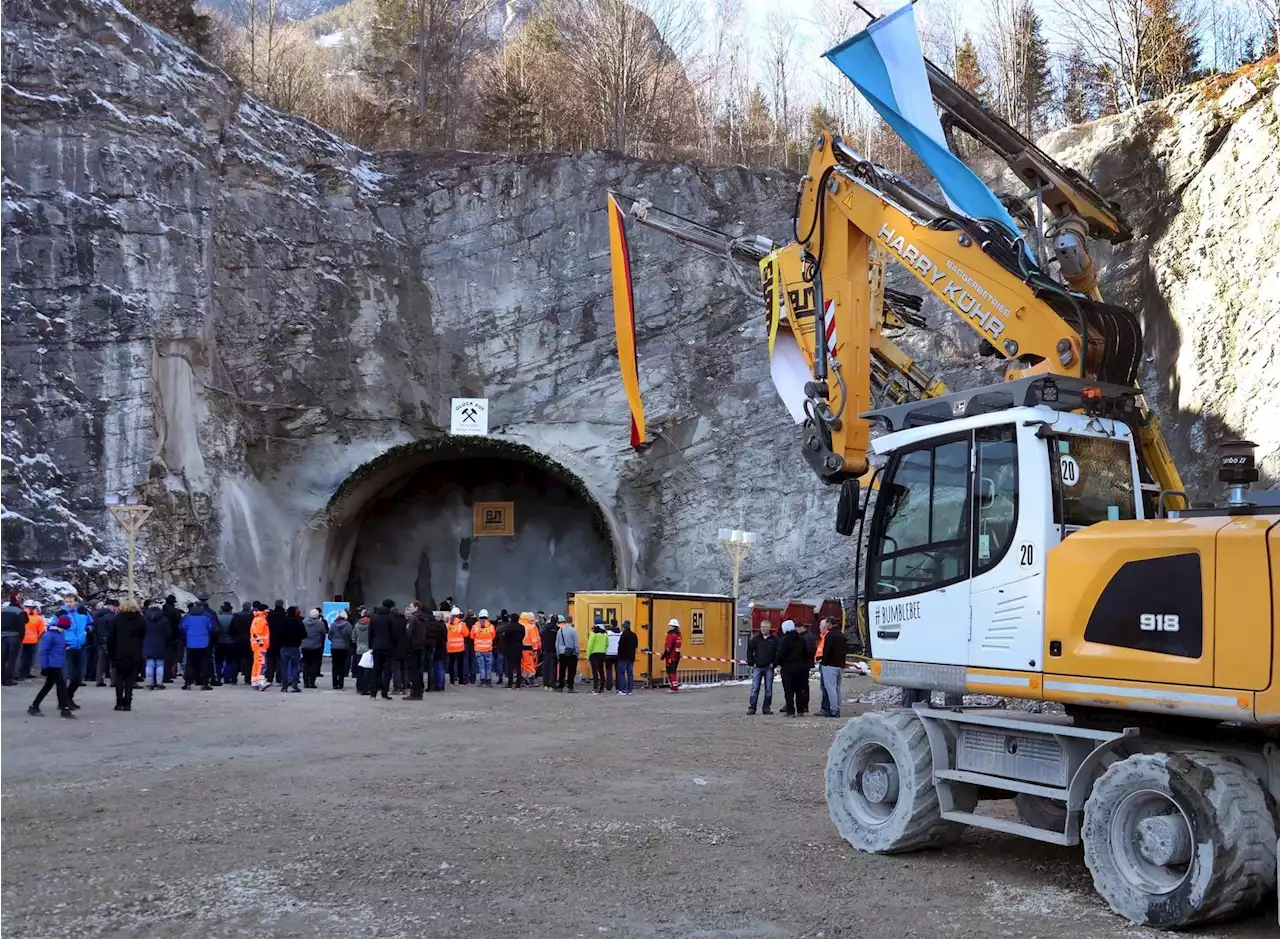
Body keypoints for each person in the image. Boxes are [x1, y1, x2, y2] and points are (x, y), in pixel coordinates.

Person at [28, 613, 73, 718]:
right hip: (52, 665)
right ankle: (64, 709)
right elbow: (43, 651)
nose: (65, 631)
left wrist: (65, 646)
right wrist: (44, 667)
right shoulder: (50, 635)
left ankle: (35, 706)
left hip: (57, 664)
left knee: (50, 686)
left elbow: (57, 647)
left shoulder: (59, 634)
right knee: (59, 686)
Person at [109, 599, 146, 712]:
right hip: (134, 653)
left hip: (119, 652)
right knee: (130, 680)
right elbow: (143, 636)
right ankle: (128, 703)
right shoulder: (140, 620)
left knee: (119, 679)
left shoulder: (116, 619)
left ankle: (119, 702)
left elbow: (111, 637)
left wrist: (111, 653)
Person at [180, 594, 217, 691]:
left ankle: (187, 682)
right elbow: (212, 629)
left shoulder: (188, 616)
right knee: (204, 663)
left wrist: (187, 636)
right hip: (204, 643)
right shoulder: (207, 616)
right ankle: (204, 683)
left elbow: (182, 628)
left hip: (191, 643)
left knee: (190, 663)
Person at [61, 595, 91, 709]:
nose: (68, 603)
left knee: (79, 676)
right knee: (66, 675)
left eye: (71, 601)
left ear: (76, 602)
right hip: (67, 647)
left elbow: (90, 623)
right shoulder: (61, 613)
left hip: (81, 647)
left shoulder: (82, 612)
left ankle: (69, 696)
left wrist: (88, 631)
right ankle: (64, 701)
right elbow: (53, 626)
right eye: (66, 601)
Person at [777, 619, 811, 717]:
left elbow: (781, 654)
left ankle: (790, 710)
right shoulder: (801, 639)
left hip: (788, 668)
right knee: (799, 690)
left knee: (789, 691)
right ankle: (800, 710)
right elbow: (805, 652)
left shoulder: (785, 640)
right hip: (800, 668)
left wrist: (778, 662)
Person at [746, 619, 779, 715]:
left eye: (765, 627)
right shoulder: (756, 640)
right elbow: (749, 650)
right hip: (758, 667)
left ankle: (766, 708)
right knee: (755, 688)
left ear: (769, 628)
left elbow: (779, 652)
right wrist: (751, 661)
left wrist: (775, 663)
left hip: (769, 667)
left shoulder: (775, 640)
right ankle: (752, 707)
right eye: (762, 627)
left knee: (768, 689)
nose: (763, 629)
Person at [820, 618, 848, 718]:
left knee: (830, 688)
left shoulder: (830, 635)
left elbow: (827, 651)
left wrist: (823, 661)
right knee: (837, 688)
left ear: (829, 624)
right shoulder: (841, 635)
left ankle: (833, 710)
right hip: (840, 665)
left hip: (830, 665)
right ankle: (838, 708)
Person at [367, 600, 396, 700]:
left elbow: (370, 632)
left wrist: (371, 645)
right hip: (388, 647)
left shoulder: (374, 617)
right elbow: (394, 634)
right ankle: (384, 693)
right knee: (387, 672)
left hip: (376, 647)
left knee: (376, 670)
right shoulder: (391, 617)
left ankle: (373, 693)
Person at [142, 599, 171, 690]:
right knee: (160, 665)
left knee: (149, 665)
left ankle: (149, 683)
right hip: (160, 644)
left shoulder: (145, 619)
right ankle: (159, 683)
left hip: (147, 644)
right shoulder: (164, 620)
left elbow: (141, 632)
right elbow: (168, 634)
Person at [276, 605, 305, 693]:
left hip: (284, 647)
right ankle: (294, 686)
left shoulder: (282, 622)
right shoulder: (298, 622)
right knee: (295, 667)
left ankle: (284, 686)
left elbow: (278, 634)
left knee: (284, 667)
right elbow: (304, 634)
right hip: (295, 647)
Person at [0, 593, 26, 686]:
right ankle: (7, 679)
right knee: (12, 659)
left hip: (2, 636)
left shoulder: (3, 610)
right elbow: (23, 624)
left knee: (2, 658)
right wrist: (21, 637)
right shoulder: (19, 611)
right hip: (14, 636)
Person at [404, 601, 428, 700]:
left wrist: (407, 644)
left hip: (413, 647)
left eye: (411, 606)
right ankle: (419, 692)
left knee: (413, 671)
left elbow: (408, 633)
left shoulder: (413, 619)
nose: (409, 608)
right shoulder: (425, 619)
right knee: (419, 670)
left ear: (416, 607)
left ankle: (414, 693)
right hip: (421, 646)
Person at [300, 608, 327, 688]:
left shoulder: (304, 622)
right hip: (316, 646)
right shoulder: (320, 624)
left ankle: (305, 682)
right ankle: (311, 682)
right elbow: (323, 633)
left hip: (305, 646)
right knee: (314, 664)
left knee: (306, 664)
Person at [18, 600, 45, 680]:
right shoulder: (37, 618)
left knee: (24, 658)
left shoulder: (20, 616)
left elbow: (41, 630)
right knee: (27, 658)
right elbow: (42, 630)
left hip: (25, 640)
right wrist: (37, 637)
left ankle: (23, 673)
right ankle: (24, 673)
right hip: (30, 641)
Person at [93, 599, 117, 687]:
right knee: (112, 661)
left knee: (100, 662)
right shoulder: (112, 617)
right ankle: (113, 681)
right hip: (109, 641)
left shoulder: (97, 616)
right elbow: (113, 630)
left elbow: (94, 629)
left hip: (99, 641)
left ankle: (99, 680)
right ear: (112, 607)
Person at [228, 603, 253, 685]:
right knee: (249, 660)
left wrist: (234, 637)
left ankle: (234, 678)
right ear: (249, 608)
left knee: (236, 660)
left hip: (237, 640)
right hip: (249, 641)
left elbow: (230, 629)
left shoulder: (236, 616)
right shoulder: (252, 616)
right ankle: (248, 678)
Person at [328, 609, 353, 690]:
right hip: (344, 647)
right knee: (342, 665)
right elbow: (350, 635)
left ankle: (334, 684)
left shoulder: (333, 624)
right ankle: (341, 684)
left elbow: (329, 635)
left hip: (334, 647)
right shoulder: (348, 625)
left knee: (335, 665)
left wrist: (334, 640)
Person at [498, 614, 525, 689]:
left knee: (509, 666)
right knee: (518, 666)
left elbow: (505, 637)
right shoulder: (522, 627)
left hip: (510, 648)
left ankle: (510, 683)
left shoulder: (509, 628)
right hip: (519, 647)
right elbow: (523, 636)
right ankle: (518, 684)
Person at [265, 600, 287, 686]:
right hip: (281, 641)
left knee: (270, 660)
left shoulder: (270, 615)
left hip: (270, 640)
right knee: (280, 660)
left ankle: (269, 677)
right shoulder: (284, 615)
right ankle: (279, 678)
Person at [555, 616, 580, 692]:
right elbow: (576, 643)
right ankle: (570, 687)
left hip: (562, 653)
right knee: (571, 671)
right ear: (572, 621)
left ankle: (560, 686)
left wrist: (558, 653)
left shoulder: (560, 630)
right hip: (571, 653)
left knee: (562, 670)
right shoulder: (573, 630)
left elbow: (557, 643)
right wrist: (577, 653)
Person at [472, 609, 496, 687]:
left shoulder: (475, 626)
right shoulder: (491, 627)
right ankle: (488, 681)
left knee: (481, 666)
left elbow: (471, 636)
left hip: (479, 650)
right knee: (488, 666)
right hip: (488, 649)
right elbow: (493, 636)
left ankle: (482, 681)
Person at [213, 602, 235, 686]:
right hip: (231, 642)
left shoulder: (218, 617)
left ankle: (218, 676)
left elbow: (215, 629)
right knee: (229, 661)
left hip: (220, 641)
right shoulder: (233, 617)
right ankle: (227, 677)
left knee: (219, 660)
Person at [162, 595, 183, 683]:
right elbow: (179, 625)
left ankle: (164, 675)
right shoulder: (175, 612)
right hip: (173, 638)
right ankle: (168, 674)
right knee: (171, 657)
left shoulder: (162, 611)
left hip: (162, 636)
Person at [445, 608, 468, 685]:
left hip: (450, 648)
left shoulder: (447, 624)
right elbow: (466, 634)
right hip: (459, 648)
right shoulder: (461, 624)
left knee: (451, 664)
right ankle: (461, 680)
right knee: (460, 665)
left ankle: (452, 680)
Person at [250, 603, 271, 689]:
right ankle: (261, 682)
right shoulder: (261, 620)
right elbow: (256, 633)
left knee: (256, 664)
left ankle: (255, 681)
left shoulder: (257, 618)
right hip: (260, 645)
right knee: (261, 663)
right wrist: (261, 643)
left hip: (256, 645)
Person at [424, 609, 445, 692]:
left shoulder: (428, 625)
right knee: (440, 668)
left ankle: (436, 685)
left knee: (434, 668)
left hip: (433, 648)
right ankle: (440, 685)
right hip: (440, 648)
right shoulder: (441, 625)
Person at [586, 619, 608, 694]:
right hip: (602, 654)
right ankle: (601, 688)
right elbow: (607, 644)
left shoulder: (593, 633)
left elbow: (590, 645)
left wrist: (588, 656)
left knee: (595, 671)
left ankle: (595, 688)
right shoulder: (605, 633)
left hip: (594, 654)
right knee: (601, 671)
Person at [352, 608, 371, 694]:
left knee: (359, 669)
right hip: (368, 649)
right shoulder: (370, 625)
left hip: (359, 649)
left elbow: (353, 637)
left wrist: (357, 644)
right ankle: (365, 687)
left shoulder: (357, 625)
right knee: (367, 669)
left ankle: (358, 687)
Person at [616, 620, 637, 696]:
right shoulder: (634, 635)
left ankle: (622, 690)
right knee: (630, 674)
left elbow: (620, 645)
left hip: (623, 657)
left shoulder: (623, 635)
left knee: (621, 673)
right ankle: (630, 690)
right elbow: (636, 646)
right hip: (631, 657)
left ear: (623, 627)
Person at [661, 618, 682, 693]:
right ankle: (673, 686)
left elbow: (669, 647)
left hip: (671, 657)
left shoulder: (671, 636)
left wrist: (664, 655)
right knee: (673, 671)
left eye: (670, 626)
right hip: (677, 656)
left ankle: (673, 688)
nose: (669, 627)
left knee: (671, 671)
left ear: (673, 626)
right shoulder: (679, 636)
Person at [539, 615, 559, 691]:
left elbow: (541, 636)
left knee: (546, 667)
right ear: (557, 621)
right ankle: (552, 684)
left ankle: (546, 684)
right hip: (554, 651)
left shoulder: (545, 628)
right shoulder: (558, 629)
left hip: (546, 651)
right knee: (553, 668)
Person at [520, 612, 541, 683]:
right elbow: (534, 639)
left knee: (522, 664)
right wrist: (536, 649)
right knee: (530, 664)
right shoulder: (531, 627)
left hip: (520, 648)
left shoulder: (520, 625)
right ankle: (531, 679)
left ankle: (522, 678)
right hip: (528, 648)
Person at [815, 619, 830, 716]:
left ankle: (826, 708)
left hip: (825, 665)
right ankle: (825, 707)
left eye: (820, 626)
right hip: (822, 664)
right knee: (824, 687)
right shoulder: (823, 637)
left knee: (826, 687)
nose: (819, 628)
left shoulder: (827, 637)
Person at [604, 620, 621, 692]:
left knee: (609, 671)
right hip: (617, 654)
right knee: (618, 671)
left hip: (608, 654)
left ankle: (609, 686)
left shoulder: (608, 633)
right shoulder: (620, 633)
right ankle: (618, 686)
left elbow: (605, 643)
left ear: (611, 625)